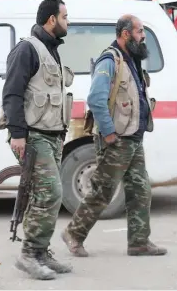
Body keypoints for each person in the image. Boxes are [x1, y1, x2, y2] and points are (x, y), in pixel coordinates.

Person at [61, 15, 167, 256]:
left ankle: (139, 242)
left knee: (140, 189)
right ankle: (73, 234)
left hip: (133, 138)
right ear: (126, 34)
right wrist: (108, 133)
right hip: (117, 139)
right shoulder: (110, 60)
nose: (143, 37)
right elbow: (96, 99)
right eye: (140, 31)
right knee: (103, 191)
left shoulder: (131, 60)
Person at [1, 0, 73, 280]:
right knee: (51, 193)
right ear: (51, 19)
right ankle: (29, 255)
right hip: (33, 136)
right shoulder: (27, 50)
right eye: (65, 16)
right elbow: (12, 93)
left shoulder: (50, 50)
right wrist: (17, 134)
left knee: (47, 196)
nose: (69, 21)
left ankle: (40, 252)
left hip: (52, 136)